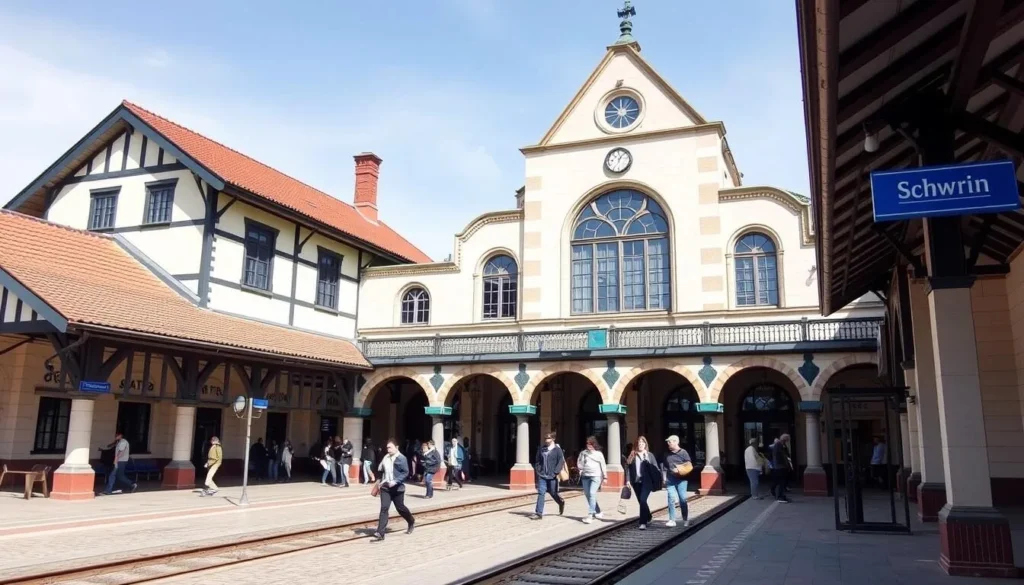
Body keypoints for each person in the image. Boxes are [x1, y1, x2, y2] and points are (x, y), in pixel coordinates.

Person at [372, 439, 415, 542]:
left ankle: (411, 521)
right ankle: (380, 533)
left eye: (390, 447)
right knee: (384, 508)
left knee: (400, 508)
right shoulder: (386, 458)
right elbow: (381, 470)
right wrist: (379, 482)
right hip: (386, 487)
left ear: (397, 447)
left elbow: (405, 473)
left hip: (397, 488)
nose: (388, 449)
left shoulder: (402, 458)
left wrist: (396, 481)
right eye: (387, 447)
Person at [626, 436, 660, 529]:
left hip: (647, 482)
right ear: (636, 445)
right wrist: (628, 480)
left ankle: (643, 523)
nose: (640, 444)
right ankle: (648, 516)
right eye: (639, 443)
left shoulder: (649, 455)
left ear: (645, 444)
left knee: (643, 500)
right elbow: (628, 469)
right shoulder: (632, 455)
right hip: (636, 482)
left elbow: (656, 468)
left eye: (642, 443)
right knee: (641, 501)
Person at [531, 432, 566, 520]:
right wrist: (538, 469)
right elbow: (538, 460)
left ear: (553, 439)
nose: (546, 440)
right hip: (542, 475)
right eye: (545, 439)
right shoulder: (542, 449)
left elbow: (561, 461)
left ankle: (560, 502)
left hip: (552, 476)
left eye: (548, 438)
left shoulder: (557, 450)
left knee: (553, 492)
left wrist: (556, 472)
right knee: (541, 493)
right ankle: (539, 513)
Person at [662, 435, 692, 528]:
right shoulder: (667, 453)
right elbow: (664, 466)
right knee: (671, 497)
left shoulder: (683, 452)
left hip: (681, 479)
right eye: (667, 442)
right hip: (670, 478)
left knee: (682, 499)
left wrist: (679, 470)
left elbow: (689, 465)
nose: (668, 443)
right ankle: (672, 520)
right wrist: (664, 477)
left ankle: (685, 518)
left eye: (669, 442)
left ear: (676, 442)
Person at [577, 436, 607, 523]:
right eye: (587, 444)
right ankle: (598, 511)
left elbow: (603, 465)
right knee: (588, 495)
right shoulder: (583, 453)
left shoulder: (599, 454)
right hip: (585, 476)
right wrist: (580, 470)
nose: (588, 445)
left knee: (592, 493)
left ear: (594, 444)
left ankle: (590, 515)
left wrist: (605, 476)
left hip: (596, 476)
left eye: (590, 444)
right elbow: (580, 463)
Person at [102, 431, 137, 495]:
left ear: (120, 435)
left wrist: (116, 460)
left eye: (117, 436)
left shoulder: (123, 442)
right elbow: (109, 446)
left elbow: (121, 451)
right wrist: (114, 442)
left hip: (121, 461)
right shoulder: (119, 442)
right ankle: (110, 489)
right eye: (115, 436)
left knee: (118, 476)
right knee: (115, 475)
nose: (115, 437)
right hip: (120, 460)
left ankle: (132, 484)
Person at [771, 434, 793, 502]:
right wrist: (784, 464)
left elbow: (785, 455)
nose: (787, 442)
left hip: (781, 466)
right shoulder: (778, 445)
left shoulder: (781, 445)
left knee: (780, 481)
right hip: (779, 466)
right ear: (784, 439)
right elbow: (779, 456)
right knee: (781, 482)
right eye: (787, 440)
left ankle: (781, 495)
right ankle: (780, 497)